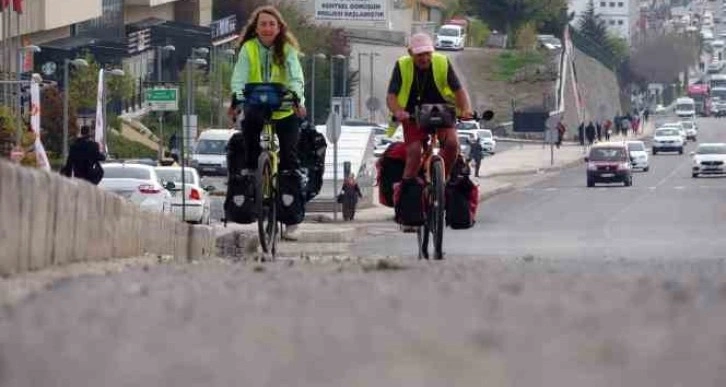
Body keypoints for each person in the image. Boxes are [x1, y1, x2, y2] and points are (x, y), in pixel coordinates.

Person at [229, 5, 306, 239]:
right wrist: (236, 101)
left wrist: (297, 99)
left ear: (279, 27)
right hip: (256, 106)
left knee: (289, 159)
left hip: (283, 109)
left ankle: (291, 219)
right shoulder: (248, 49)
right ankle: (254, 171)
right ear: (256, 27)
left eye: (272, 24)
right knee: (249, 135)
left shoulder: (287, 49)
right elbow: (239, 78)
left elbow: (296, 77)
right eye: (263, 24)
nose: (267, 28)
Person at [386, 32, 473, 182]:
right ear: (410, 53)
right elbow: (391, 96)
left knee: (452, 144)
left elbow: (459, 90)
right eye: (419, 54)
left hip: (442, 113)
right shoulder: (402, 65)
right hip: (413, 115)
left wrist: (465, 109)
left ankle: (442, 179)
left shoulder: (442, 62)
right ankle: (407, 187)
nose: (424, 58)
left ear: (432, 52)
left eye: (427, 53)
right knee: (413, 152)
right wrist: (398, 112)